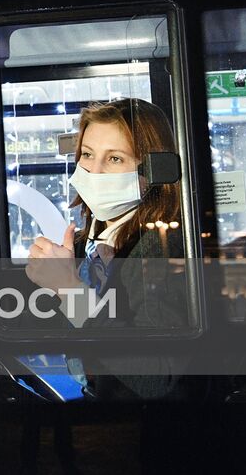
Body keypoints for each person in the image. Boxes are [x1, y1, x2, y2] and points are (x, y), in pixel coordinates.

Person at [25, 97, 189, 399]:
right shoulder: (91, 238)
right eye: (87, 155)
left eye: (115, 159)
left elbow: (158, 375)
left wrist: (68, 290)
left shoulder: (158, 246)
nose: (94, 172)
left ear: (153, 169)